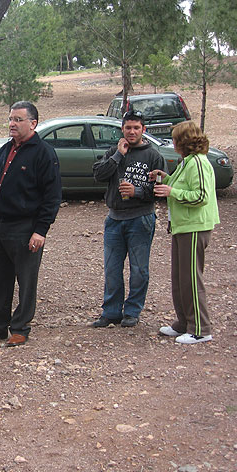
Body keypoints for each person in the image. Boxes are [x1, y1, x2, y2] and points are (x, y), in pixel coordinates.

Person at [0, 101, 61, 347]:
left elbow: (52, 197)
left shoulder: (43, 153)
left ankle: (21, 327)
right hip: (0, 223)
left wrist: (40, 231)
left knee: (26, 279)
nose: (12, 124)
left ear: (33, 123)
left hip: (26, 225)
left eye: (18, 120)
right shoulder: (7, 149)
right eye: (11, 119)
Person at [91, 110, 167, 328]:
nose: (132, 131)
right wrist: (117, 156)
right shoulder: (115, 151)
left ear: (143, 130)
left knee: (139, 269)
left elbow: (161, 188)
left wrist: (138, 192)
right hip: (114, 219)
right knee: (112, 268)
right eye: (128, 127)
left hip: (140, 219)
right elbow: (98, 175)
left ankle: (132, 311)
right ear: (122, 129)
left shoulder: (153, 156)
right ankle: (111, 311)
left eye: (136, 128)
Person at [151, 121, 219, 344]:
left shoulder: (198, 162)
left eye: (175, 139)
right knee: (179, 278)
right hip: (182, 227)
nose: (173, 143)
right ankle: (184, 323)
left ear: (184, 141)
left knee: (191, 279)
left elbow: (200, 196)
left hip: (195, 227)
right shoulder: (186, 162)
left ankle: (200, 328)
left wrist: (172, 191)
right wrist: (166, 179)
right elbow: (184, 188)